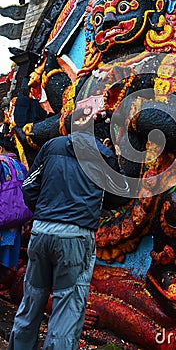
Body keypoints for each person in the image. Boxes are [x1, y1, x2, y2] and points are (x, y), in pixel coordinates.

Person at [8, 109, 129, 350]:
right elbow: (121, 195)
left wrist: (45, 209)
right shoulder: (103, 154)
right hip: (76, 236)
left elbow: (30, 186)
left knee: (32, 299)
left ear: (69, 127)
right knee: (67, 308)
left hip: (42, 232)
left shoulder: (52, 146)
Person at [0, 133, 28, 289]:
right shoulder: (21, 166)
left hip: (2, 218)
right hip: (16, 219)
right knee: (9, 256)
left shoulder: (1, 164)